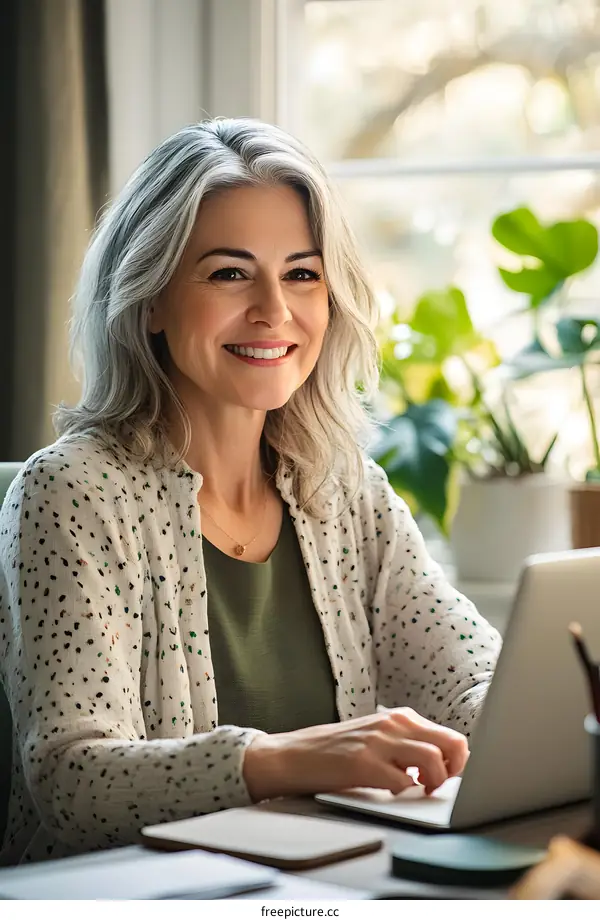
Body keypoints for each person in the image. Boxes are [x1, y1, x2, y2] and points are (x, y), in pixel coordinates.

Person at [0, 117, 501, 865]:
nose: (275, 309)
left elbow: (473, 676)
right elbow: (72, 779)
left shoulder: (346, 490)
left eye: (302, 273)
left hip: (325, 889)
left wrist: (531, 718)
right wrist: (280, 759)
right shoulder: (69, 492)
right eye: (230, 273)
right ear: (150, 300)